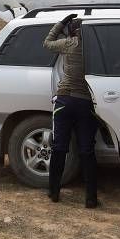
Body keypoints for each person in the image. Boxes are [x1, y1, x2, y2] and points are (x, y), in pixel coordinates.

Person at [43, 13, 99, 208]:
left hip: (65, 100)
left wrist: (60, 23)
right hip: (84, 102)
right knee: (87, 151)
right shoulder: (94, 48)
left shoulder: (68, 43)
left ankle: (54, 192)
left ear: (71, 31)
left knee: (59, 148)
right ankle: (91, 198)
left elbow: (47, 43)